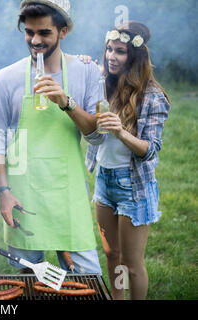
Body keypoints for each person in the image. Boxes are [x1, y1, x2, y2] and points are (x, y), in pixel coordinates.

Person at [0, 0, 103, 275]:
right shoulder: (5, 78)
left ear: (63, 32)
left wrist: (66, 102)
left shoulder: (86, 72)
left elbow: (97, 136)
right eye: (29, 32)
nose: (35, 40)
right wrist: (3, 192)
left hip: (68, 193)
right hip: (22, 195)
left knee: (87, 279)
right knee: (29, 278)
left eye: (44, 33)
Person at [86, 21, 170, 300]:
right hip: (104, 181)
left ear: (134, 56)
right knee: (113, 256)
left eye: (120, 51)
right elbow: (75, 76)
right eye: (109, 49)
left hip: (132, 187)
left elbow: (150, 149)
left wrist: (121, 131)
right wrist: (84, 63)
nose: (111, 56)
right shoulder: (102, 83)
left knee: (132, 265)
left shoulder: (152, 96)